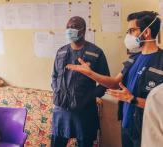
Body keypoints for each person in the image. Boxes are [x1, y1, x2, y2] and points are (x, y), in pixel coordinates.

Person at [67, 11, 163, 147]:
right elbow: (114, 83)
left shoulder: (160, 62)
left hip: (147, 131)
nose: (128, 35)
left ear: (146, 32)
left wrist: (132, 99)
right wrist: (90, 73)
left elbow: (160, 106)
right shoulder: (133, 59)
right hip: (127, 126)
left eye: (131, 30)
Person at [51, 16, 110, 147]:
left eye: (74, 27)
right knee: (56, 143)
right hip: (61, 110)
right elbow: (54, 76)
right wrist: (58, 91)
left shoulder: (96, 53)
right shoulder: (61, 52)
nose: (70, 30)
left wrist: (88, 97)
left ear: (83, 31)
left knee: (85, 142)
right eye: (68, 27)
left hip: (84, 111)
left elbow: (104, 83)